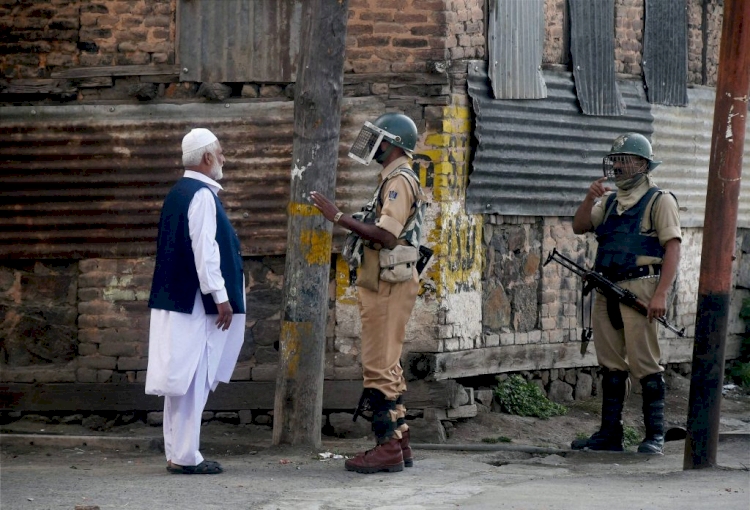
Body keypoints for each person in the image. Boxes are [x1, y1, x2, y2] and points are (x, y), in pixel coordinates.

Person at [310, 112, 427, 473]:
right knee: (388, 364)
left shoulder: (399, 181)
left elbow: (387, 236)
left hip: (388, 285)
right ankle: (400, 441)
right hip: (387, 282)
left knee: (377, 366)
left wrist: (338, 216)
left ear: (392, 144)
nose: (373, 144)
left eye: (379, 138)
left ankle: (386, 448)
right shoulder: (396, 177)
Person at [570, 133, 681, 455]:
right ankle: (609, 434)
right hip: (607, 285)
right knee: (611, 363)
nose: (616, 166)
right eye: (614, 160)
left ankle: (654, 435)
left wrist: (660, 295)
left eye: (623, 160)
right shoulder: (609, 200)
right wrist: (589, 198)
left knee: (645, 362)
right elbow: (579, 226)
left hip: (640, 287)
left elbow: (672, 249)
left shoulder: (660, 201)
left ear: (641, 164)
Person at [146, 128, 246, 474]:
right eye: (220, 152)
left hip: (177, 300)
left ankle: (179, 453)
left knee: (181, 380)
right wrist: (221, 297)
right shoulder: (201, 196)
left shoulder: (178, 193)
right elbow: (206, 252)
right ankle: (186, 456)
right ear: (207, 157)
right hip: (194, 304)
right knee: (192, 378)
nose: (223, 157)